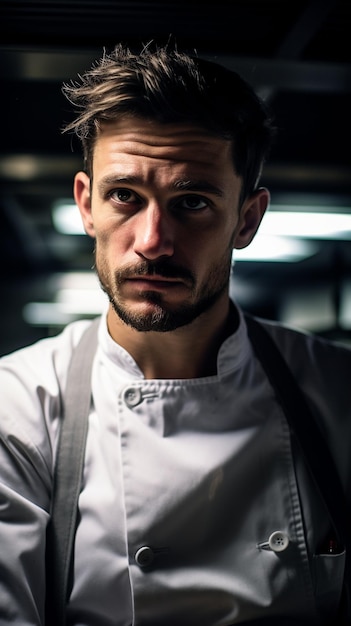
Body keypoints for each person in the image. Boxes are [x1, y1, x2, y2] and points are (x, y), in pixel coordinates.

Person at [0, 43, 350, 626]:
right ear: (87, 205)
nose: (153, 240)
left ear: (247, 219)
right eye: (124, 197)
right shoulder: (15, 409)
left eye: (191, 202)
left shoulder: (339, 395)